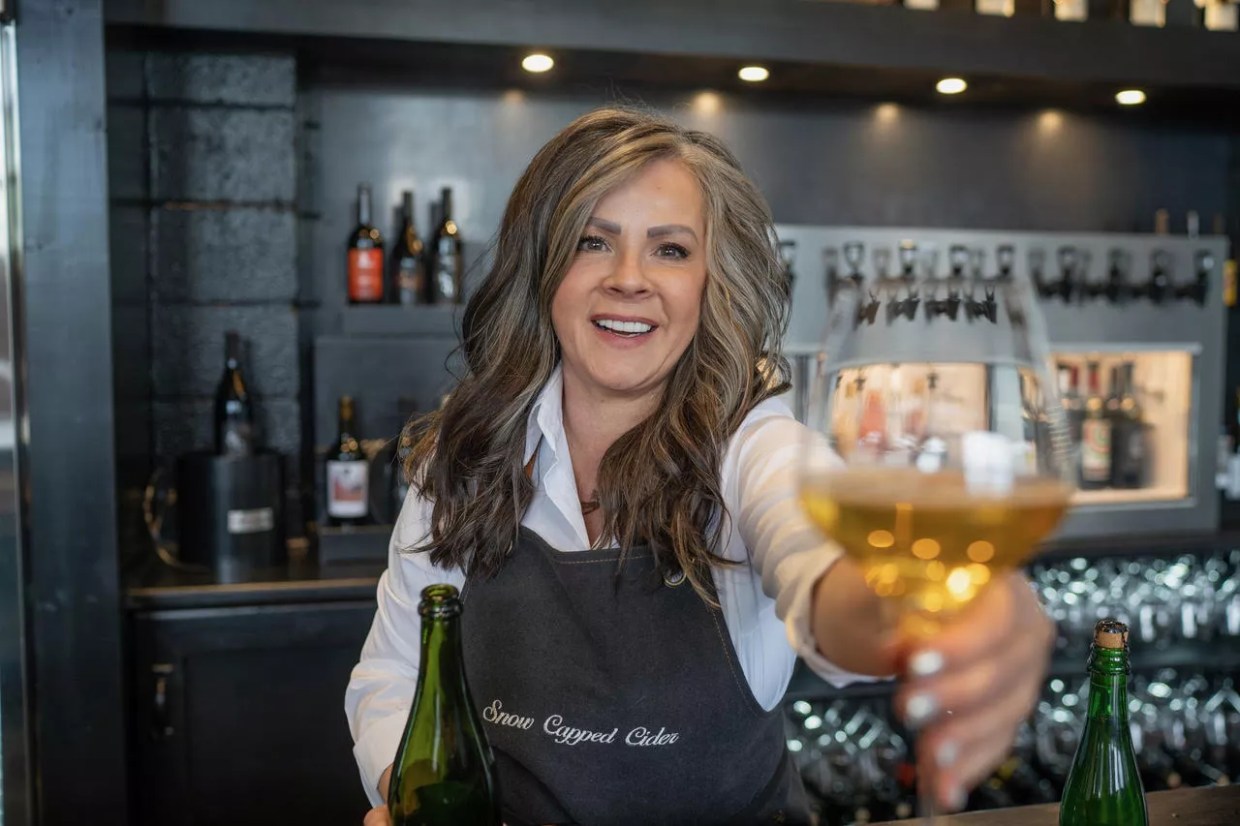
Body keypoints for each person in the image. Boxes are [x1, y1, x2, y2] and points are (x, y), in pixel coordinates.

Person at [346, 107, 1054, 826]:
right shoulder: (463, 454)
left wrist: (928, 608)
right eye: (594, 243)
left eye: (671, 250)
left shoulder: (753, 445)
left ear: (712, 281)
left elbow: (825, 570)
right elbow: (394, 672)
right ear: (544, 267)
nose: (630, 279)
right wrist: (414, 797)